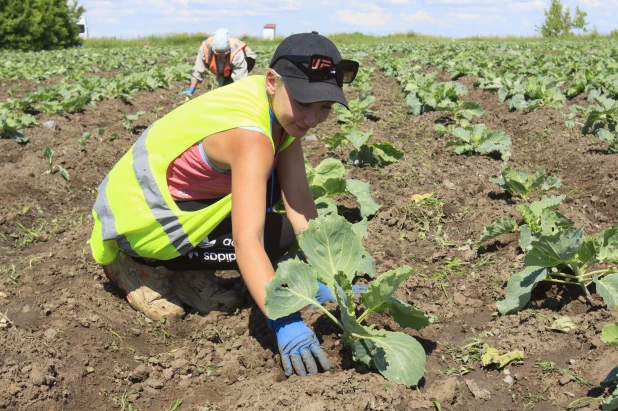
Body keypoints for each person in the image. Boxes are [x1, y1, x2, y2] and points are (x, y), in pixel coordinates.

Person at [89, 31, 359, 377]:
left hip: (175, 206)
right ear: (274, 81)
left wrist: (330, 277)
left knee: (283, 232)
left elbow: (300, 202)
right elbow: (248, 244)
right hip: (137, 225)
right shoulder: (250, 136)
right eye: (304, 103)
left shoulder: (275, 109)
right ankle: (142, 267)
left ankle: (186, 270)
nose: (311, 119)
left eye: (324, 108)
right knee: (266, 241)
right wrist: (284, 320)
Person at [180, 28, 257, 95]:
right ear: (213, 49)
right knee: (225, 85)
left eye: (224, 53)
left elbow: (239, 78)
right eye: (218, 53)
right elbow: (198, 69)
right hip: (226, 63)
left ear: (228, 49)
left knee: (230, 85)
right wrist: (192, 88)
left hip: (247, 59)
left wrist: (239, 92)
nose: (221, 56)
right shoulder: (205, 48)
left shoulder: (236, 52)